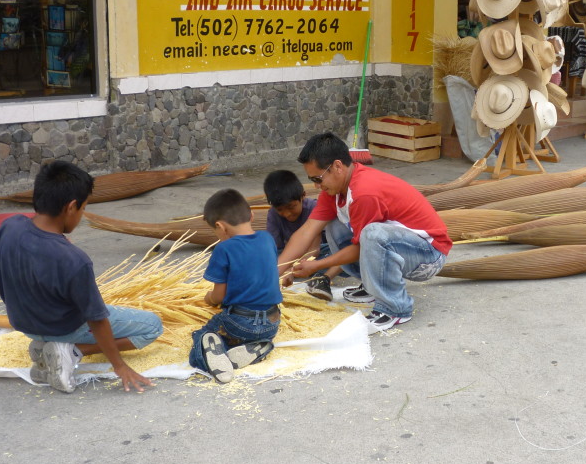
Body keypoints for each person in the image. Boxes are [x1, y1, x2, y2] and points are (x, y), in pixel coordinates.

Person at [0, 161, 162, 393]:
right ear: (71, 207)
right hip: (62, 327)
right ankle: (71, 350)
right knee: (152, 326)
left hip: (24, 323)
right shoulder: (74, 260)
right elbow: (97, 319)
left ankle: (45, 347)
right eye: (84, 208)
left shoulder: (10, 226)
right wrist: (120, 365)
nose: (82, 215)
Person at [277, 132, 451, 334]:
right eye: (312, 179)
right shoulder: (334, 189)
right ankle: (372, 286)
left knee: (372, 234)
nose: (316, 185)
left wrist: (317, 265)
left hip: (429, 255)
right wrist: (277, 272)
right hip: (406, 247)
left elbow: (362, 247)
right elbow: (308, 230)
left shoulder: (364, 193)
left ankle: (396, 308)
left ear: (337, 166)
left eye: (318, 178)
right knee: (333, 225)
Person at [189, 188, 281, 384]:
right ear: (252, 214)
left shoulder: (224, 249)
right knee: (251, 331)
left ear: (220, 226)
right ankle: (258, 346)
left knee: (204, 333)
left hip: (240, 323)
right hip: (272, 323)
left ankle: (214, 352)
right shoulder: (267, 239)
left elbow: (219, 297)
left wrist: (208, 298)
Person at [263, 170, 342, 301]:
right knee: (268, 259)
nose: (287, 214)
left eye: (291, 207)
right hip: (290, 253)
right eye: (280, 210)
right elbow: (274, 248)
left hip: (317, 252)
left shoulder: (314, 208)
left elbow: (313, 250)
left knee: (338, 257)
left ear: (303, 196)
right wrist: (285, 268)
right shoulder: (273, 214)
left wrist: (291, 270)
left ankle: (321, 277)